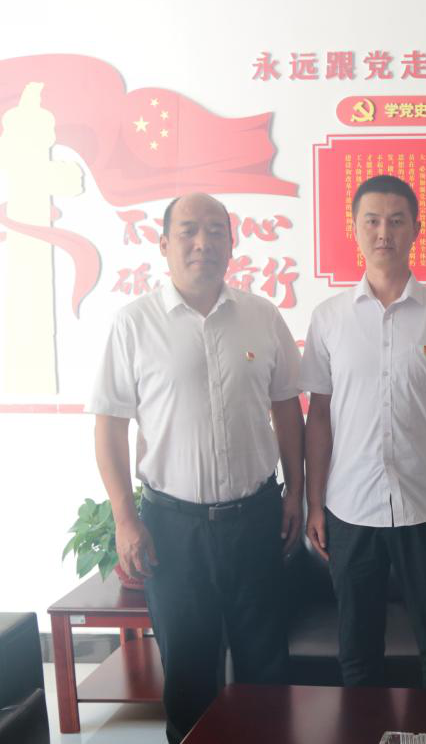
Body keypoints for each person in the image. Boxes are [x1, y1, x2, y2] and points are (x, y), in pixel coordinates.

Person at [89, 193, 304, 744]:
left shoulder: (262, 317)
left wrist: (295, 494)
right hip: (173, 528)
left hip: (255, 518)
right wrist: (124, 518)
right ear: (163, 244)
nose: (202, 243)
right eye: (188, 231)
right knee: (187, 671)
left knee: (266, 666)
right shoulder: (134, 324)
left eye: (215, 231)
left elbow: (287, 410)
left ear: (232, 244)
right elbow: (109, 427)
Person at [301, 174, 426, 688]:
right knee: (357, 652)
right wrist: (314, 503)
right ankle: (363, 727)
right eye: (372, 220)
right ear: (354, 228)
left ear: (416, 228)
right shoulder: (329, 318)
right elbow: (318, 416)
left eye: (397, 221)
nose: (384, 232)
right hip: (350, 505)